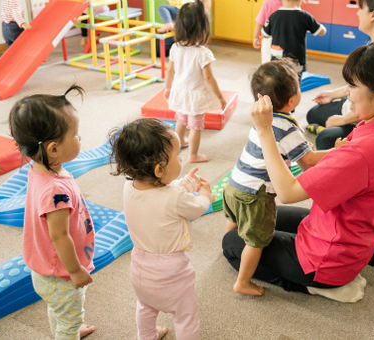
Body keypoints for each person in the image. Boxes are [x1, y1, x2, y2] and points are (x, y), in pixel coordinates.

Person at [223, 41, 374, 303]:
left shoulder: (364, 151)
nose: (348, 94)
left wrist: (264, 132)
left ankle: (320, 285)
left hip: (328, 259)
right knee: (259, 219)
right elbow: (336, 161)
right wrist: (334, 153)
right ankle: (346, 261)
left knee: (231, 244)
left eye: (353, 86)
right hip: (344, 230)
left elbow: (286, 192)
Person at [223, 59, 329, 296]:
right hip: (257, 195)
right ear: (292, 100)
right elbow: (309, 159)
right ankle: (242, 282)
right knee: (257, 240)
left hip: (234, 184)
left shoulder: (262, 118)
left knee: (235, 221)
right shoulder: (287, 126)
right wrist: (338, 151)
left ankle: (228, 245)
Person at [109, 118, 213, 340]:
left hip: (139, 268)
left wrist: (183, 183)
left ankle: (146, 336)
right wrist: (205, 194)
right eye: (177, 156)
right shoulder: (174, 197)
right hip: (172, 272)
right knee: (186, 315)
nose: (181, 159)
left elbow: (160, 195)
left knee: (146, 307)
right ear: (159, 169)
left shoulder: (130, 186)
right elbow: (196, 208)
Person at [8, 85, 96, 337]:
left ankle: (68, 326)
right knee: (68, 319)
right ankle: (69, 331)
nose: (79, 138)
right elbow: (59, 236)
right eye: (75, 134)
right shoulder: (55, 191)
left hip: (46, 271)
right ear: (53, 149)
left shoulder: (39, 170)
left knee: (59, 310)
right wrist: (76, 270)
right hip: (62, 275)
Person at [306, 0, 374, 150]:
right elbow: (361, 83)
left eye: (361, 8)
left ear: (373, 15)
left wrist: (342, 120)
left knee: (325, 138)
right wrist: (332, 94)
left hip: (365, 114)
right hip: (353, 105)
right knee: (313, 114)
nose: (357, 12)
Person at [164, 0, 226, 163]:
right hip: (195, 97)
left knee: (181, 120)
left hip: (180, 92)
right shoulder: (203, 53)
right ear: (202, 30)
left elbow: (170, 70)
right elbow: (209, 78)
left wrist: (167, 88)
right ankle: (193, 155)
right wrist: (220, 97)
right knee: (196, 127)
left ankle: (179, 146)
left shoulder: (175, 47)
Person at [262, 0, 326, 81]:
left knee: (278, 82)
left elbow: (264, 34)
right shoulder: (305, 16)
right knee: (295, 82)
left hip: (277, 60)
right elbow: (322, 31)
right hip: (296, 60)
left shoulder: (274, 16)